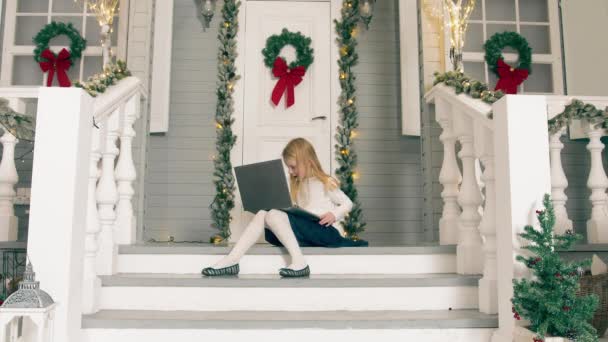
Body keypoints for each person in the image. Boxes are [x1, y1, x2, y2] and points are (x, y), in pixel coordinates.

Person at [201, 137, 368, 278]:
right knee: (263, 213)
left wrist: (334, 214)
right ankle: (233, 260)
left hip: (324, 231)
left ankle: (299, 263)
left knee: (272, 213)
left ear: (307, 162)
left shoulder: (325, 181)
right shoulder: (296, 184)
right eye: (289, 167)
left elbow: (348, 203)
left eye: (293, 167)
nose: (291, 171)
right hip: (305, 232)